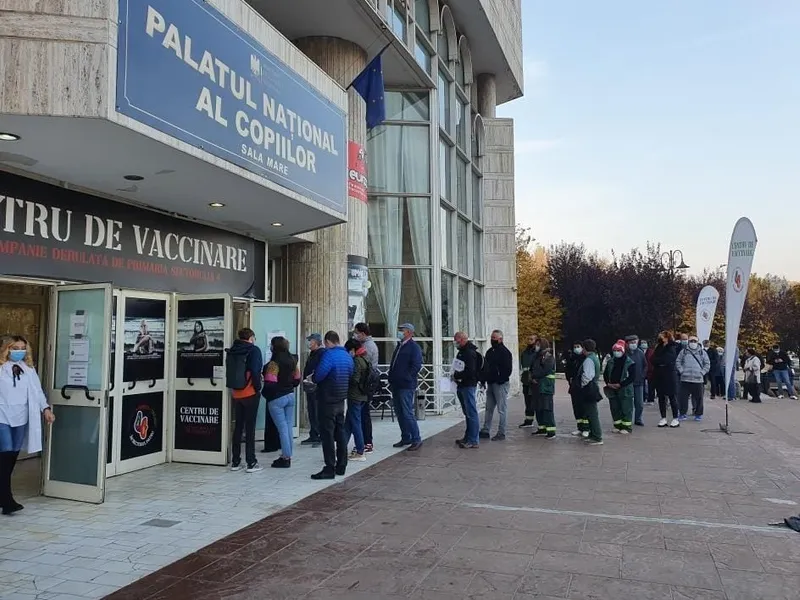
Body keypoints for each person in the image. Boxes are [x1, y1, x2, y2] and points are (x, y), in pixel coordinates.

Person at [0, 336, 55, 515]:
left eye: (22, 348)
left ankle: (4, 495)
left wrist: (45, 408)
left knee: (12, 455)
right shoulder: (1, 367)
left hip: (21, 417)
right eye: (15, 347)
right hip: (2, 416)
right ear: (7, 348)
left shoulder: (28, 369)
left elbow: (37, 391)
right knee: (6, 451)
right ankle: (7, 499)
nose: (19, 351)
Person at [311, 331, 353, 479]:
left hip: (327, 399)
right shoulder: (347, 356)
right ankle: (342, 465)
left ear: (328, 342)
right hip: (341, 399)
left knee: (327, 434)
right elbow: (351, 374)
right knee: (340, 431)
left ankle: (329, 467)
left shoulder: (328, 355)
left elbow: (319, 375)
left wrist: (314, 378)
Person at [228, 328, 264, 473]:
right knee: (250, 428)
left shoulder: (232, 350)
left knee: (238, 427)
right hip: (250, 392)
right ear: (251, 337)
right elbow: (255, 371)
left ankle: (235, 462)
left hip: (236, 392)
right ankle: (251, 462)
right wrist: (258, 387)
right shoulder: (253, 350)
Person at [262, 336, 300, 469]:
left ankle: (285, 457)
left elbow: (270, 382)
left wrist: (266, 394)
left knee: (282, 428)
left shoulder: (274, 363)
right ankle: (288, 455)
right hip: (290, 395)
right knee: (288, 426)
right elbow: (297, 379)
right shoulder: (292, 360)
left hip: (277, 398)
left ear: (274, 347)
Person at [388, 323, 423, 451]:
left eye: (402, 330)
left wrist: (407, 377)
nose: (400, 332)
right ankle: (406, 437)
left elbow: (416, 366)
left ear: (409, 332)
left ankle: (416, 438)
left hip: (406, 385)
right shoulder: (399, 346)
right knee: (400, 412)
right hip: (396, 384)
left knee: (407, 412)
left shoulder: (414, 347)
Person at [479, 329, 513, 441]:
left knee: (501, 409)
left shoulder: (505, 352)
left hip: (500, 384)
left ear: (500, 339)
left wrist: (500, 379)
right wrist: (483, 380)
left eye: (494, 338)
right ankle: (485, 430)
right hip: (490, 383)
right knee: (488, 408)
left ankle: (501, 432)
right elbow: (485, 368)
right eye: (492, 337)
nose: (492, 340)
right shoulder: (490, 352)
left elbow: (508, 370)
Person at [453, 332, 481, 448]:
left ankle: (473, 440)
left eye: (457, 340)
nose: (455, 342)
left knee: (471, 413)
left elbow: (470, 371)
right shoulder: (462, 351)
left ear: (463, 339)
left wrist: (458, 376)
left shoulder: (469, 353)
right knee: (467, 413)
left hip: (468, 385)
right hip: (462, 385)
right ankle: (468, 436)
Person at [353, 323, 378, 452]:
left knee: (364, 414)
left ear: (363, 334)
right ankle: (364, 441)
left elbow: (363, 367)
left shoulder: (368, 347)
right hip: (367, 383)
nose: (355, 335)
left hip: (366, 384)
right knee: (363, 413)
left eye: (356, 333)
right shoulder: (366, 345)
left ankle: (367, 442)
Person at [343, 338, 369, 462]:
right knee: (348, 423)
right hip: (362, 395)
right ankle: (342, 449)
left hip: (355, 396)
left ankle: (360, 451)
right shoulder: (365, 358)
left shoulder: (357, 361)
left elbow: (355, 379)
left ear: (353, 350)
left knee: (356, 424)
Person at [574, 338, 603, 445]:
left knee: (592, 413)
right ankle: (593, 434)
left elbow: (587, 376)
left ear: (585, 348)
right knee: (590, 412)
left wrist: (581, 385)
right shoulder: (593, 358)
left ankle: (597, 436)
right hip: (591, 387)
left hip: (589, 389)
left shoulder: (589, 360)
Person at [603, 340, 636, 434]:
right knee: (614, 408)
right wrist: (608, 383)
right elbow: (606, 373)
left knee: (626, 408)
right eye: (614, 350)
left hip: (625, 389)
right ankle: (617, 425)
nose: (616, 352)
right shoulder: (611, 361)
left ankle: (626, 427)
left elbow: (632, 377)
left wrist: (621, 384)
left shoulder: (630, 362)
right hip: (612, 388)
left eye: (618, 350)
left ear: (622, 351)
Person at [676, 335, 711, 421]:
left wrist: (702, 373)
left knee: (699, 398)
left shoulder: (702, 353)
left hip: (698, 380)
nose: (693, 343)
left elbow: (707, 364)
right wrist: (681, 371)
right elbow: (678, 361)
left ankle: (698, 414)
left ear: (698, 342)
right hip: (685, 379)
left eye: (695, 341)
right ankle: (682, 413)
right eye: (691, 341)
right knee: (683, 398)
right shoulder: (683, 351)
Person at [300, 333, 324, 448]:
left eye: (311, 341)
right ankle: (313, 434)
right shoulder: (312, 353)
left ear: (316, 342)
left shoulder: (321, 353)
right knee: (311, 411)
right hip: (310, 386)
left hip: (316, 387)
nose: (309, 343)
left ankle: (319, 436)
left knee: (317, 411)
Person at [530, 337, 557, 439]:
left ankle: (551, 430)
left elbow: (545, 370)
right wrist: (532, 377)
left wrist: (535, 376)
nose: (536, 346)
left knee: (547, 409)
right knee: (538, 408)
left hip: (546, 387)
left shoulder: (549, 357)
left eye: (538, 344)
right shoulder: (536, 356)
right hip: (537, 387)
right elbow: (532, 368)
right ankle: (542, 428)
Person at [652, 331, 680, 428]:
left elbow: (668, 359)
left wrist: (659, 361)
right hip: (659, 374)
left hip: (669, 375)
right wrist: (659, 361)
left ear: (667, 337)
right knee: (661, 397)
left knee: (672, 397)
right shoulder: (659, 347)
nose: (660, 338)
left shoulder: (672, 347)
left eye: (662, 337)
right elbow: (653, 359)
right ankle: (663, 417)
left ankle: (675, 418)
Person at [567, 340, 589, 437]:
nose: (576, 348)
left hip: (583, 387)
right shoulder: (571, 358)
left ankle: (586, 428)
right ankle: (580, 427)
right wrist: (570, 379)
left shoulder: (585, 358)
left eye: (578, 346)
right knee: (576, 408)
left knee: (584, 408)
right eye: (575, 347)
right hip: (573, 387)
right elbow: (567, 371)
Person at [625, 335, 647, 426]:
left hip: (639, 381)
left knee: (639, 403)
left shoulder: (640, 353)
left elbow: (645, 365)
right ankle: (627, 419)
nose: (633, 344)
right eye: (631, 343)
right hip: (627, 382)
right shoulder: (625, 353)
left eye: (635, 342)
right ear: (627, 343)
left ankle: (638, 419)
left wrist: (643, 375)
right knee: (628, 402)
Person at [518, 335, 539, 428]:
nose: (529, 341)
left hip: (534, 380)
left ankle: (541, 423)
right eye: (528, 339)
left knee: (535, 402)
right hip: (526, 380)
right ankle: (528, 420)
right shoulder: (525, 353)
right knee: (527, 401)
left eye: (531, 339)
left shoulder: (537, 353)